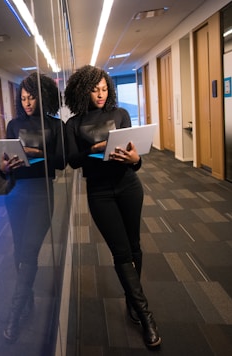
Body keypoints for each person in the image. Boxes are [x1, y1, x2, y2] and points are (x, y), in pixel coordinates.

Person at [63, 65, 161, 347]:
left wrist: (135, 160)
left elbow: (135, 156)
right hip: (99, 192)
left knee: (134, 246)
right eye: (95, 90)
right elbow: (73, 160)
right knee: (120, 252)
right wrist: (94, 149)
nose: (101, 94)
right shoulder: (74, 124)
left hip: (129, 185)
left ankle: (133, 300)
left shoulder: (121, 114)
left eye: (105, 89)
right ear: (83, 91)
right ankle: (146, 316)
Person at [0, 72, 67, 343]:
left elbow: (61, 162)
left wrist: (36, 154)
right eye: (23, 98)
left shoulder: (54, 125)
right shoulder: (13, 125)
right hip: (17, 193)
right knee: (20, 252)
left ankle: (15, 313)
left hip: (42, 195)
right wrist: (3, 168)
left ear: (42, 97)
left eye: (32, 97)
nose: (27, 103)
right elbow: (5, 166)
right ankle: (28, 302)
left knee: (28, 251)